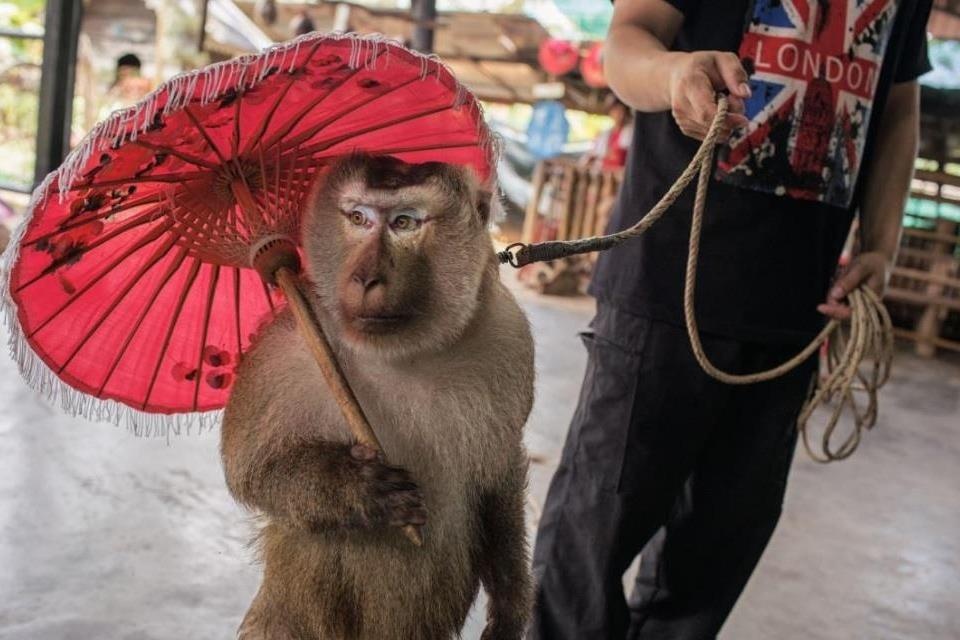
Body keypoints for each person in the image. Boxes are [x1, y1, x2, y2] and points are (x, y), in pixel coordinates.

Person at [530, 1, 932, 639]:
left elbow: (898, 106)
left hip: (800, 310)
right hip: (666, 291)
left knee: (712, 562)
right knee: (590, 543)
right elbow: (626, 43)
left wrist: (882, 245)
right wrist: (674, 75)